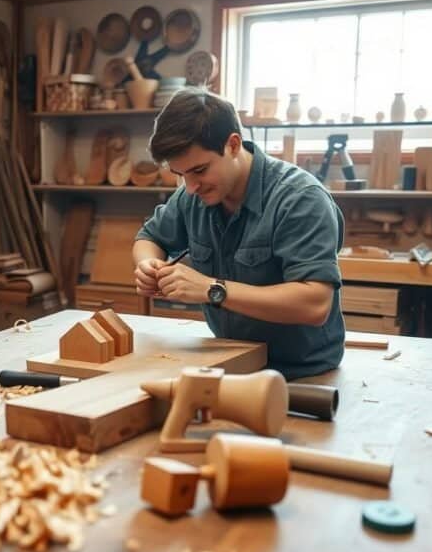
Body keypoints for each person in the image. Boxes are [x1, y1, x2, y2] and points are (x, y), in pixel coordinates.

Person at [133, 88, 345, 378]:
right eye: (181, 175)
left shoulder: (300, 199)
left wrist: (212, 289)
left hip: (301, 372)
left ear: (233, 145)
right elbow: (149, 238)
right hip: (229, 363)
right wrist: (148, 265)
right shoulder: (192, 196)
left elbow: (315, 303)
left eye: (199, 170)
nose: (191, 187)